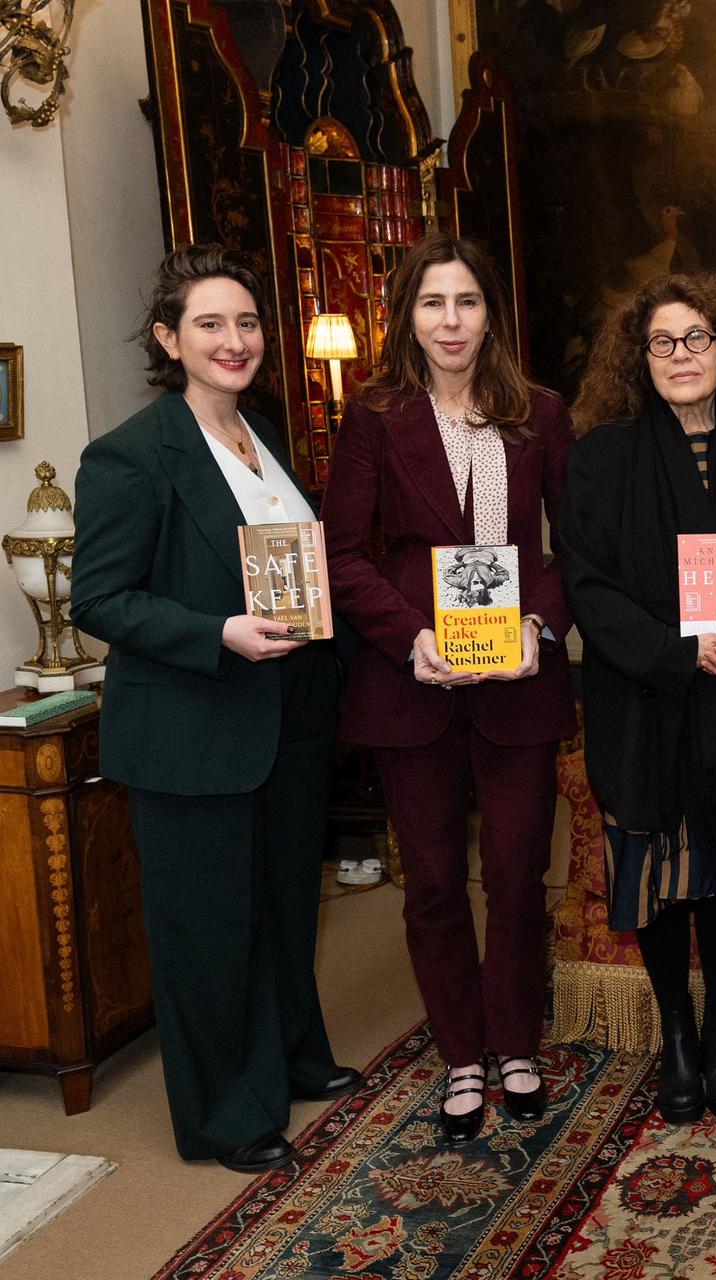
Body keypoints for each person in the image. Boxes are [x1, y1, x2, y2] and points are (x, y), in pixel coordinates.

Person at [70, 245, 362, 1174]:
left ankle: (292, 1060)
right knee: (205, 930)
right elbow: (100, 601)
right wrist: (216, 632)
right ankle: (223, 1116)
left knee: (281, 906)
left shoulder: (262, 434)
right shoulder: (129, 455)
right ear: (169, 338)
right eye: (210, 324)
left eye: (245, 323)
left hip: (282, 718)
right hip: (191, 727)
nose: (234, 341)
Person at [321, 232, 574, 1144]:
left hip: (517, 685)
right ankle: (461, 1056)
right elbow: (342, 555)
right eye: (433, 303)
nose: (451, 320)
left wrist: (539, 629)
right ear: (409, 317)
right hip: (411, 685)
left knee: (515, 876)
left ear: (489, 313)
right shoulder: (375, 415)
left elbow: (563, 548)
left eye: (466, 302)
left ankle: (516, 1047)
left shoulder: (539, 413)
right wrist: (411, 637)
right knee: (430, 881)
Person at [557, 272, 716, 1124]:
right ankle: (674, 1030)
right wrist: (678, 653)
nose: (681, 356)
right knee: (662, 876)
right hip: (646, 699)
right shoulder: (600, 456)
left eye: (698, 338)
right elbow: (588, 587)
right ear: (639, 356)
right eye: (662, 342)